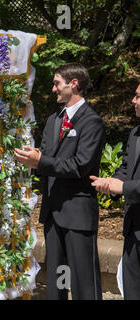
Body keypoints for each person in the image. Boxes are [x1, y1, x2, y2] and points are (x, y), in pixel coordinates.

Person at [14, 63, 105, 300]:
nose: (53, 89)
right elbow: (46, 156)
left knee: (85, 283)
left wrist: (41, 161)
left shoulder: (91, 121)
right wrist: (30, 158)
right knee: (58, 280)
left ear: (73, 83)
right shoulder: (54, 119)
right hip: (53, 213)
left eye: (57, 83)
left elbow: (80, 165)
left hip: (78, 213)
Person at [90, 84, 140, 299]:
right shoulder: (136, 133)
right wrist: (112, 182)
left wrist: (125, 187)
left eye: (138, 96)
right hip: (134, 228)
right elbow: (127, 167)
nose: (133, 101)